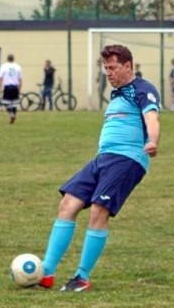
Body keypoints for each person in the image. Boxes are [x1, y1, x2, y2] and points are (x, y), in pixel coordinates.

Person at [37, 43, 160, 292]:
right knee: (68, 203)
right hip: (103, 159)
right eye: (106, 68)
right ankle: (46, 272)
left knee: (98, 210)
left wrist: (153, 140)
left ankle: (81, 277)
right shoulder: (116, 93)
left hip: (127, 160)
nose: (109, 73)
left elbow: (152, 118)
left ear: (128, 66)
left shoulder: (142, 89)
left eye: (113, 68)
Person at [0, 53, 23, 124]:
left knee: (5, 102)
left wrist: (0, 88)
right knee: (14, 103)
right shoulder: (18, 67)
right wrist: (19, 89)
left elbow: (0, 78)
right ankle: (14, 115)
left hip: (7, 86)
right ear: (13, 59)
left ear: (7, 59)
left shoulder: (4, 66)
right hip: (15, 86)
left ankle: (11, 114)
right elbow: (20, 79)